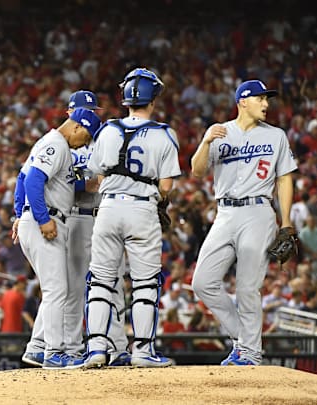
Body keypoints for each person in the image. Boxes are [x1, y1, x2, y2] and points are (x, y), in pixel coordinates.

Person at [190, 79, 297, 366]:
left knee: (248, 287)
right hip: (224, 213)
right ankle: (243, 339)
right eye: (261, 99)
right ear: (243, 102)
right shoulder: (221, 132)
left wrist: (286, 223)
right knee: (202, 282)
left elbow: (285, 179)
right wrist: (205, 141)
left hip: (258, 212)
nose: (266, 104)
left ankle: (250, 353)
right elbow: (197, 171)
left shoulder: (276, 136)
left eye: (267, 99)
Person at [84, 67, 180, 368]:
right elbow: (166, 187)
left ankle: (97, 349)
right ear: (153, 99)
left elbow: (94, 177)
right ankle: (142, 351)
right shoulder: (165, 134)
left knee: (100, 280)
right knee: (145, 283)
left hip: (109, 208)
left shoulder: (108, 130)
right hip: (142, 209)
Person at [13, 107, 99, 369]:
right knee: (56, 290)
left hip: (40, 218)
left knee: (55, 289)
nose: (85, 142)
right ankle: (54, 352)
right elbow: (32, 181)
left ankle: (38, 348)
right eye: (86, 136)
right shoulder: (56, 144)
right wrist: (42, 219)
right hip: (45, 219)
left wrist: (86, 185)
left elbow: (35, 178)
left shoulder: (52, 144)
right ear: (76, 127)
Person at [64, 90, 132, 367]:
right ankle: (70, 348)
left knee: (113, 283)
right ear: (71, 114)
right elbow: (63, 184)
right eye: (86, 111)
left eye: (95, 112)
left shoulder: (104, 142)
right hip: (76, 218)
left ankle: (117, 348)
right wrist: (85, 182)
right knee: (74, 287)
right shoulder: (60, 145)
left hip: (104, 216)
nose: (93, 117)